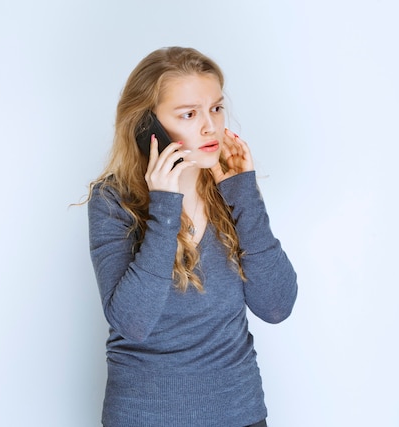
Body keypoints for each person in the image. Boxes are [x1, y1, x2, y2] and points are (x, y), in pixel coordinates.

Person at [86, 46, 298, 427]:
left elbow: (276, 306)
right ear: (145, 126)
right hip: (143, 417)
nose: (210, 127)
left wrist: (244, 195)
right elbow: (133, 322)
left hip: (239, 415)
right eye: (188, 114)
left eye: (216, 108)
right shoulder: (112, 201)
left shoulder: (233, 191)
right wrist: (167, 206)